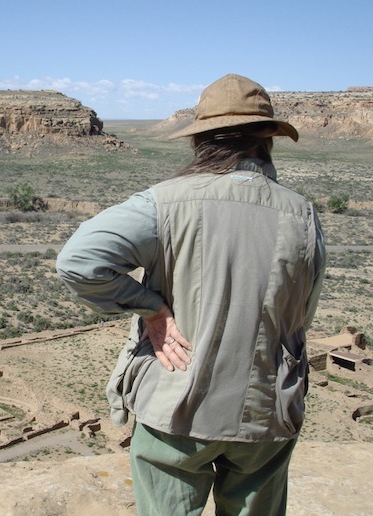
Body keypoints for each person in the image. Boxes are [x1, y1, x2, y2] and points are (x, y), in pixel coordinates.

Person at [56, 74, 326, 516]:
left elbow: (78, 261)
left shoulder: (165, 202)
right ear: (266, 140)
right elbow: (300, 318)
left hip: (175, 404)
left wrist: (153, 311)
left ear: (201, 141)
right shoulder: (302, 215)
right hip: (265, 409)